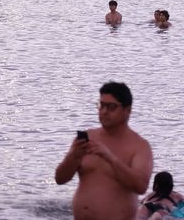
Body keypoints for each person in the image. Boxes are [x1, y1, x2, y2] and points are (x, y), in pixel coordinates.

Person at [55, 82, 153, 220]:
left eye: (111, 107)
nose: (104, 111)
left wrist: (109, 157)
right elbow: (60, 179)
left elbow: (140, 186)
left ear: (127, 110)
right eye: (101, 105)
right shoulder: (87, 139)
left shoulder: (139, 146)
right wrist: (73, 156)